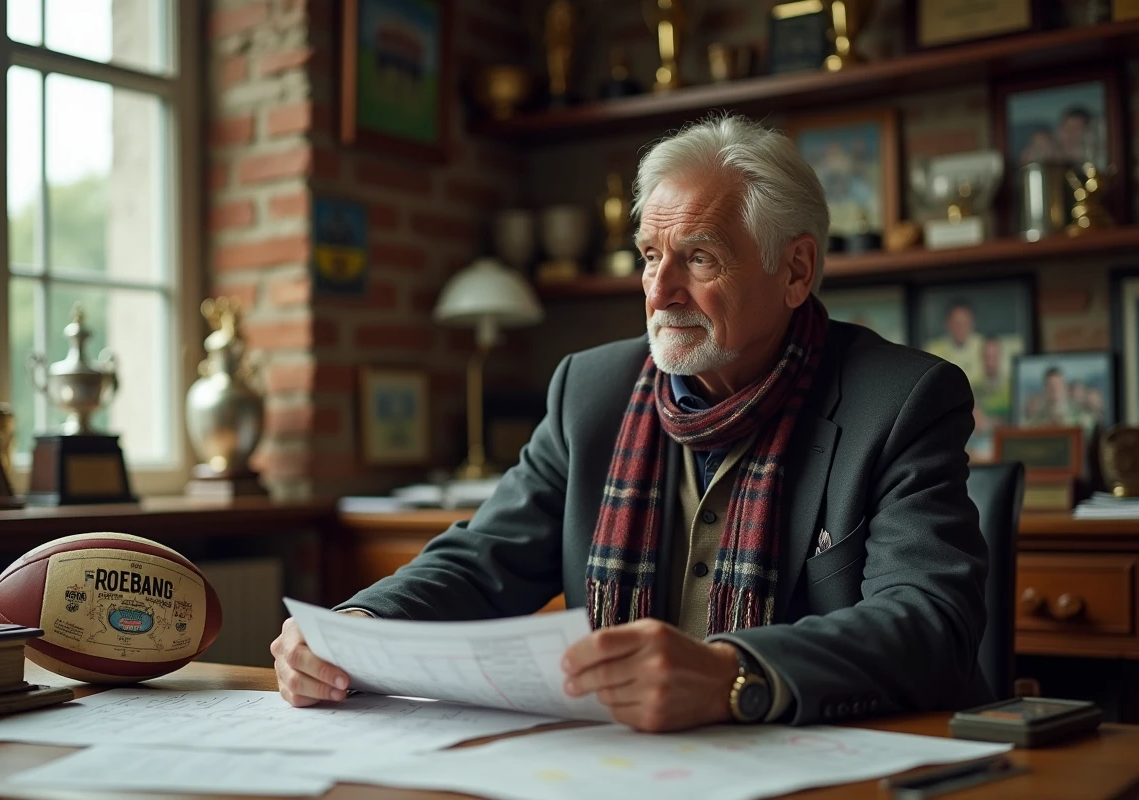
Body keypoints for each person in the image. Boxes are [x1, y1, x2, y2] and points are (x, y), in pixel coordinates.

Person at [272, 116, 992, 732]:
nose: (661, 290)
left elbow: (929, 623)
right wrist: (354, 631)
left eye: (699, 256)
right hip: (618, 763)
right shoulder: (592, 390)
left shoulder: (901, 400)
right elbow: (482, 561)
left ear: (795, 270)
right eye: (650, 256)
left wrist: (729, 675)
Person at [924, 300, 985, 387]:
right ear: (947, 324)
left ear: (972, 323)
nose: (961, 328)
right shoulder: (934, 350)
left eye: (965, 323)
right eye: (957, 324)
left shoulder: (984, 347)